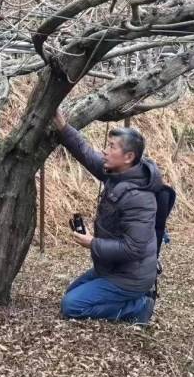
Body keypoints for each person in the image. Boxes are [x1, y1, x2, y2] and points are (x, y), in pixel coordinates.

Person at [53, 111, 160, 324]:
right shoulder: (118, 174)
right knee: (72, 292)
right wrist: (63, 127)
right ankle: (129, 300)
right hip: (111, 268)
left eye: (112, 147)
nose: (105, 150)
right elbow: (86, 154)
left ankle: (139, 306)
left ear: (128, 157)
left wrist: (93, 243)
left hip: (131, 276)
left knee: (72, 305)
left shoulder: (140, 198)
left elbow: (134, 248)